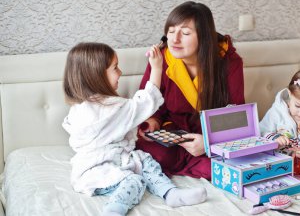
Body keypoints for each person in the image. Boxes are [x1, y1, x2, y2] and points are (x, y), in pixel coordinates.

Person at [62, 42, 207, 216]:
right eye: (115, 68)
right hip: (97, 168)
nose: (120, 72)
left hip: (114, 157)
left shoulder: (83, 107)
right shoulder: (109, 110)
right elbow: (146, 102)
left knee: (146, 161)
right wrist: (157, 67)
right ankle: (114, 209)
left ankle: (171, 193)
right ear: (97, 76)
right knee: (134, 181)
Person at [136, 1, 245, 180]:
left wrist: (208, 143)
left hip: (211, 134)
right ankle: (195, 162)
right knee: (154, 154)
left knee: (231, 164)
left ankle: (199, 160)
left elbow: (236, 115)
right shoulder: (160, 59)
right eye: (171, 31)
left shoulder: (230, 62)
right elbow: (150, 103)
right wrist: (152, 122)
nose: (174, 39)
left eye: (185, 33)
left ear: (204, 37)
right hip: (173, 133)